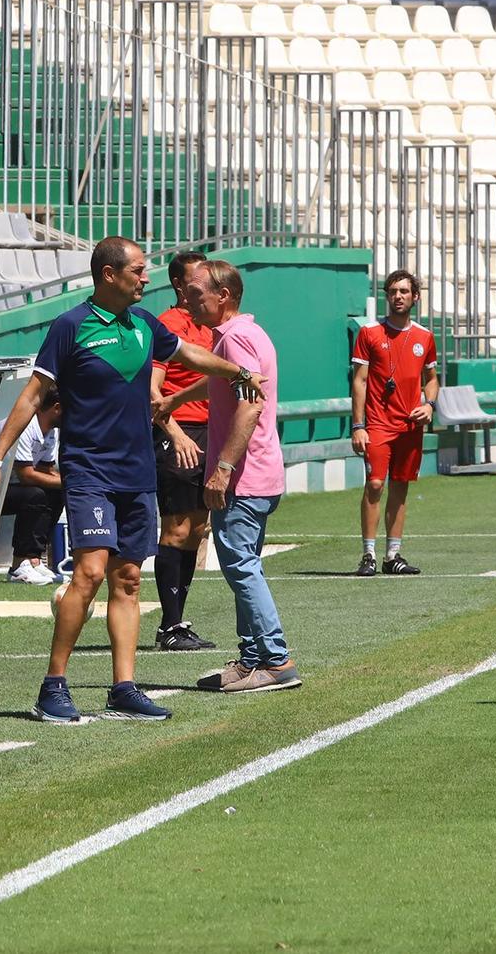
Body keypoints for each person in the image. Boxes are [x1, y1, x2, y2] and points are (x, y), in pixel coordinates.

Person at [0, 236, 267, 725]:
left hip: (138, 473)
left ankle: (123, 688)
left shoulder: (144, 324)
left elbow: (190, 354)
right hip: (89, 471)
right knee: (87, 574)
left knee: (127, 579)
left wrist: (237, 372)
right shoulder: (70, 327)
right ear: (110, 274)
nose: (146, 279)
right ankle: (53, 686)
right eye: (139, 270)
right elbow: (31, 397)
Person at [187, 261, 299, 693]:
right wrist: (176, 397)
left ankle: (274, 660)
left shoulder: (235, 339)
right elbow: (226, 383)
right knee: (242, 566)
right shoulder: (240, 336)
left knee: (242, 568)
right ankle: (253, 657)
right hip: (258, 474)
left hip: (244, 477)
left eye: (197, 292)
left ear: (224, 296)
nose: (189, 298)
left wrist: (222, 470)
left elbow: (249, 406)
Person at [349, 270, 440, 577]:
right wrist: (357, 426)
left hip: (410, 427)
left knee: (400, 487)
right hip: (377, 424)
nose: (398, 296)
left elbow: (432, 380)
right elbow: (359, 381)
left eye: (404, 291)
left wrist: (429, 405)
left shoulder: (425, 337)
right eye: (392, 291)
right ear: (386, 296)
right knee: (375, 484)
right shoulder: (369, 334)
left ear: (415, 297)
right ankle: (368, 554)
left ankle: (393, 555)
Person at [149, 250, 217, 650]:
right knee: (175, 527)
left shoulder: (211, 325)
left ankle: (177, 623)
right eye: (197, 280)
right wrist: (174, 432)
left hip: (209, 431)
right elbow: (152, 389)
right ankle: (170, 625)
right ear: (179, 285)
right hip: (178, 433)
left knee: (197, 528)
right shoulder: (167, 325)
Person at [0, 396, 64, 585]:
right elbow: (26, 475)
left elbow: (46, 469)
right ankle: (18, 566)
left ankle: (33, 561)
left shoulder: (50, 431)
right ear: (57, 407)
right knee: (34, 495)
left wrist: (72, 483)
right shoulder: (25, 425)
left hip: (5, 488)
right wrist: (69, 482)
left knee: (57, 494)